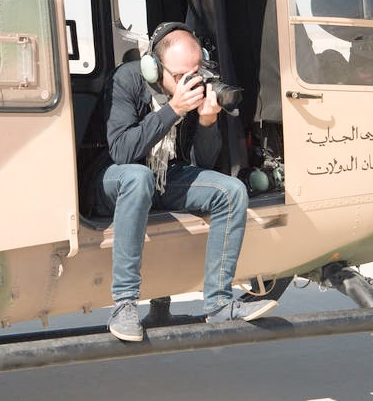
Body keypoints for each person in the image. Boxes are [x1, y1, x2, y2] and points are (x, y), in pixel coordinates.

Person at [91, 21, 278, 342]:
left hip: (165, 177)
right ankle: (123, 305)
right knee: (138, 176)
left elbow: (200, 164)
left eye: (195, 71)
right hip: (116, 179)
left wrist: (206, 122)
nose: (189, 81)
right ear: (152, 68)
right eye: (179, 76)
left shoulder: (194, 86)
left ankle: (219, 303)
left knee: (230, 191)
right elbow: (122, 151)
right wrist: (173, 110)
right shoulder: (127, 80)